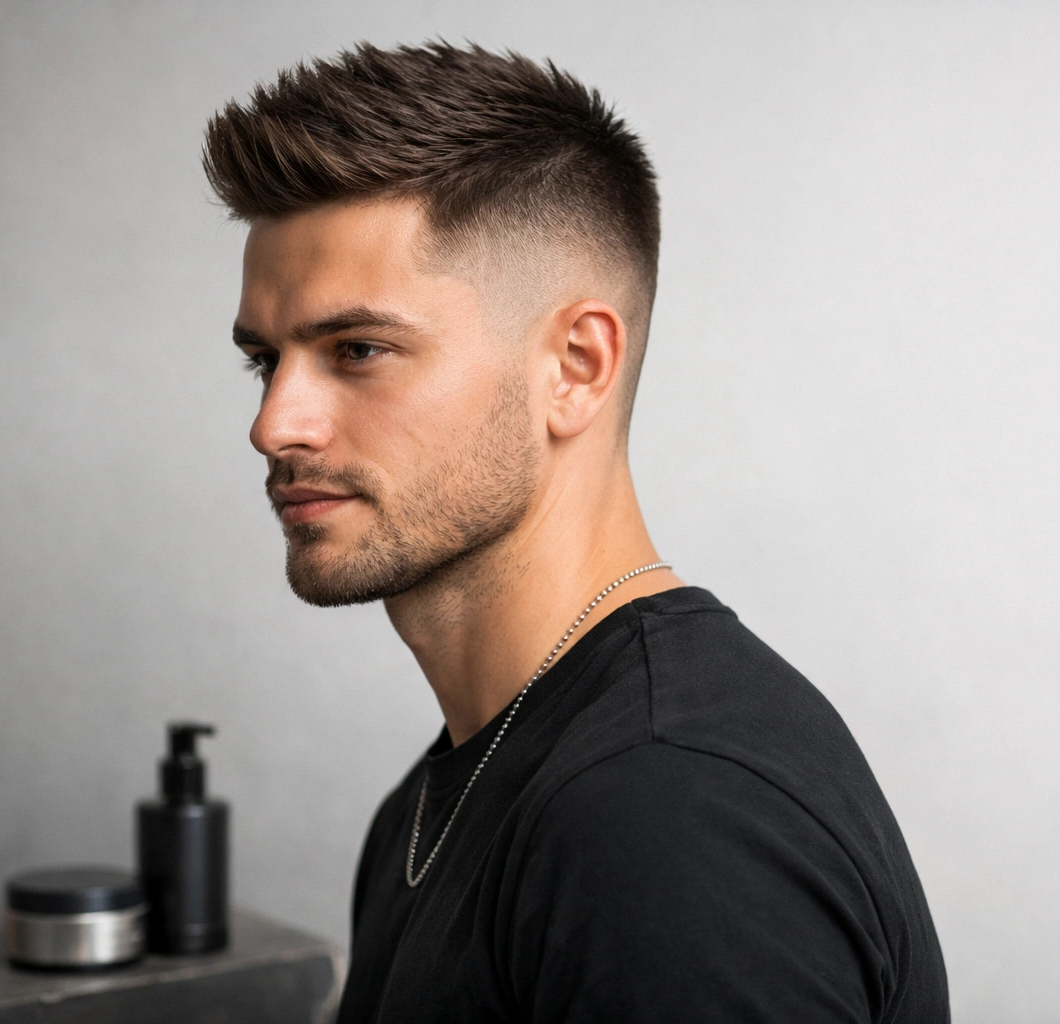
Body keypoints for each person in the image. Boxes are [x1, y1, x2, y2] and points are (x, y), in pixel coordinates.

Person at [204, 41, 949, 1023]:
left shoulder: (666, 813)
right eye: (267, 361)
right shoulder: (434, 808)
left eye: (358, 349)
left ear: (576, 366)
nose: (276, 424)